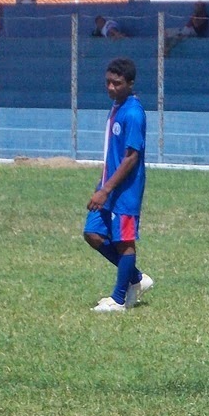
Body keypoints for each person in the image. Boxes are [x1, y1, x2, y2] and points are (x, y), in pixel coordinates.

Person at [84, 57, 154, 312]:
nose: (111, 88)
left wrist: (106, 190)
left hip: (124, 191)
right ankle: (135, 278)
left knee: (124, 242)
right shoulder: (117, 106)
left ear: (130, 83)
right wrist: (101, 184)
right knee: (92, 234)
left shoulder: (133, 113)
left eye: (117, 83)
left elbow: (131, 157)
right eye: (108, 82)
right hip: (109, 186)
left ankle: (118, 299)